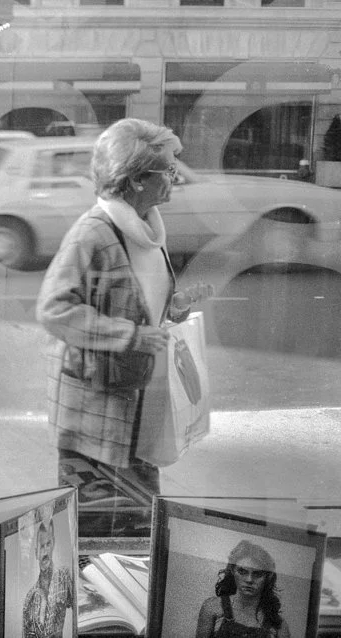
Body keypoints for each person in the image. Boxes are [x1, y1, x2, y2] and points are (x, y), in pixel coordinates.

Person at [36, 119, 212, 522]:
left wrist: (177, 305)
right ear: (134, 180)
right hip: (96, 414)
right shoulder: (92, 235)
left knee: (140, 520)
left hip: (136, 403)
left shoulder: (148, 231)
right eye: (167, 171)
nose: (174, 179)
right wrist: (129, 335)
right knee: (96, 523)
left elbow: (136, 302)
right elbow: (54, 310)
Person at [195, 540, 291, 638]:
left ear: (268, 577)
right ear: (232, 570)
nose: (249, 580)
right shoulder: (214, 607)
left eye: (257, 574)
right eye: (242, 571)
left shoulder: (279, 625)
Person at [21, 520, 73, 638]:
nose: (45, 551)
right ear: (36, 553)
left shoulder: (63, 577)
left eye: (48, 544)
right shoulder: (30, 598)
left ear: (53, 544)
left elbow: (80, 612)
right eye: (41, 546)